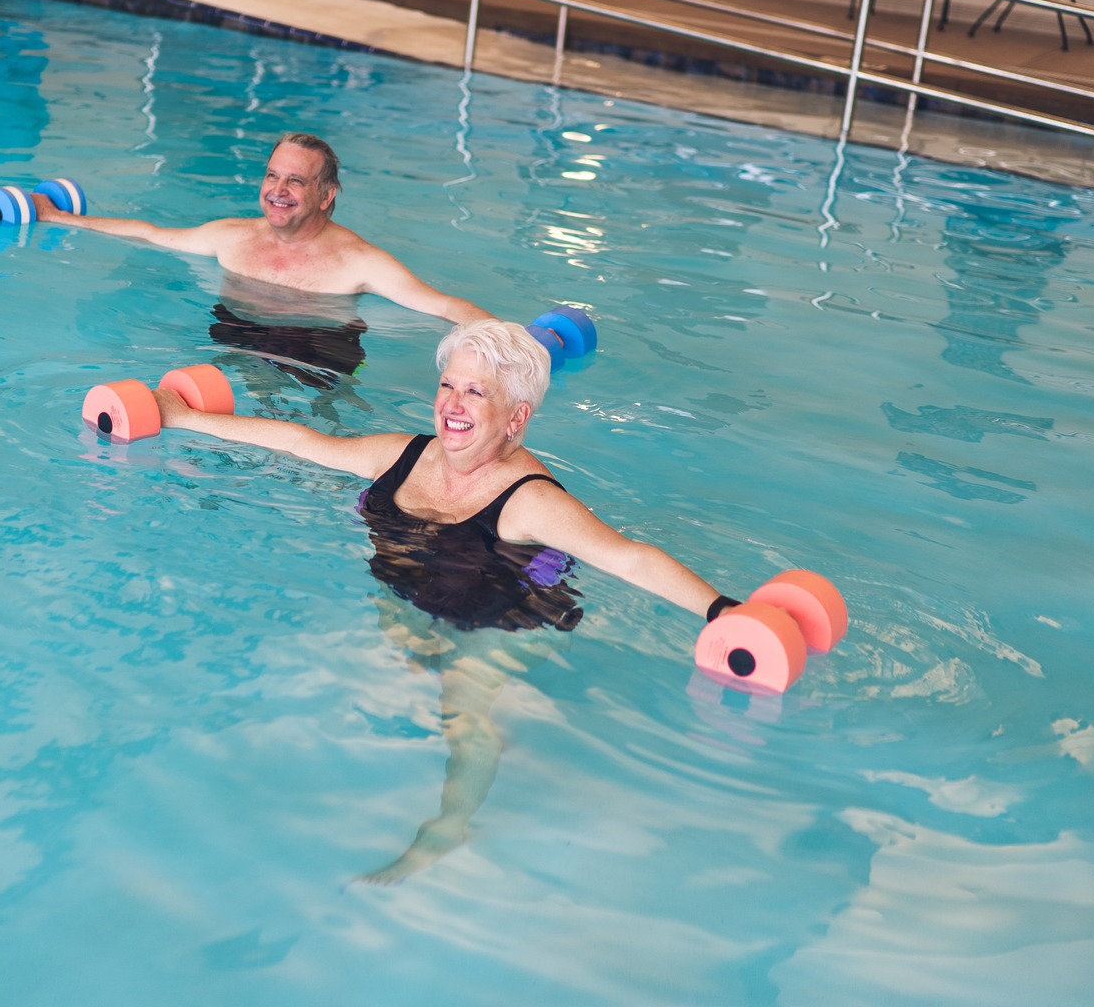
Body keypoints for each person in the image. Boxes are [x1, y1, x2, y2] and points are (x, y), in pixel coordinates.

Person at [150, 318, 736, 883]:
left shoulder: (531, 502)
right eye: (448, 385)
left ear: (516, 417)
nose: (453, 404)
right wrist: (184, 418)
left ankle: (449, 826)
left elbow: (630, 558)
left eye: (476, 392)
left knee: (462, 704)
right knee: (400, 652)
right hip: (422, 587)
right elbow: (304, 444)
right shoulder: (406, 456)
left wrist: (723, 612)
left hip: (510, 611)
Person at [29, 133, 491, 326]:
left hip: (318, 358)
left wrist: (512, 340)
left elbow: (442, 305)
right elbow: (149, 233)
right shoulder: (232, 235)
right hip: (234, 338)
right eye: (272, 175)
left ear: (327, 195)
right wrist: (59, 218)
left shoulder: (359, 262)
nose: (278, 190)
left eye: (296, 180)